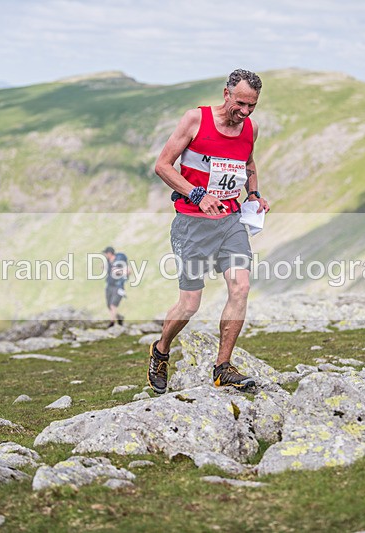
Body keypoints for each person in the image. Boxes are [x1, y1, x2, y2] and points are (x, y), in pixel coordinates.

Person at [147, 69, 270, 395]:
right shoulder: (195, 120)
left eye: (252, 106)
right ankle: (161, 350)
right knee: (190, 304)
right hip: (192, 223)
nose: (245, 111)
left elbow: (248, 164)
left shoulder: (250, 128)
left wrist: (254, 195)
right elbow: (162, 166)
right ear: (226, 94)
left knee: (241, 287)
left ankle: (222, 368)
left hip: (230, 221)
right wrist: (198, 194)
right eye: (240, 103)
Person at [103, 246, 128, 327]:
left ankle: (112, 323)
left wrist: (120, 272)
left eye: (106, 253)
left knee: (113, 305)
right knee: (109, 305)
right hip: (109, 285)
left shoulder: (119, 261)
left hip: (118, 286)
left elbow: (128, 271)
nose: (105, 255)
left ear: (109, 253)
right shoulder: (108, 261)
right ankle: (119, 317)